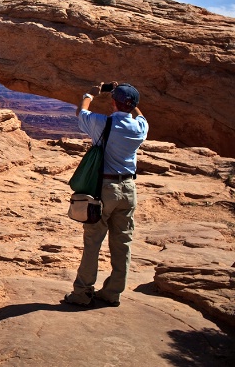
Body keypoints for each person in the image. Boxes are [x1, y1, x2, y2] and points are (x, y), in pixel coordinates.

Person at [64, 82, 148, 308]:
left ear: (113, 102)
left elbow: (81, 111)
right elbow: (140, 115)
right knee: (123, 243)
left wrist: (90, 92)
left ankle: (82, 293)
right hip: (129, 190)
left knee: (93, 242)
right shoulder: (140, 127)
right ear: (133, 106)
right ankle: (112, 293)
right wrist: (132, 104)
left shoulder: (103, 123)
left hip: (105, 189)